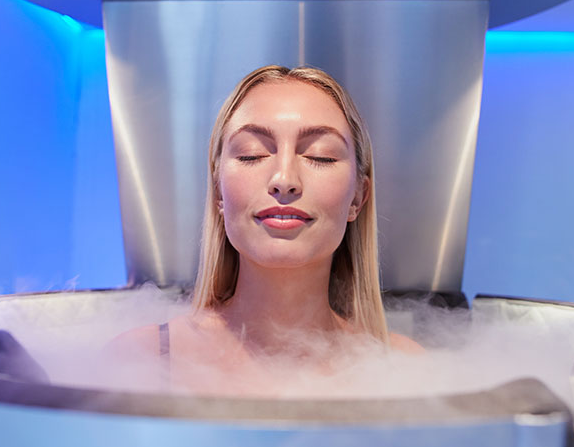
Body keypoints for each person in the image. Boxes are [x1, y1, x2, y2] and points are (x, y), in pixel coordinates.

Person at [108, 65, 422, 395]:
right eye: (251, 154)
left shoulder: (404, 369)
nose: (284, 180)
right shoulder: (139, 360)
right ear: (218, 193)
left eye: (321, 156)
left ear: (358, 197)